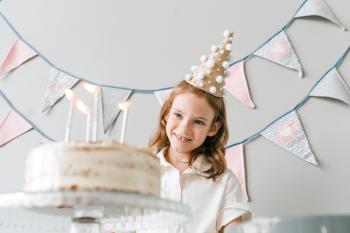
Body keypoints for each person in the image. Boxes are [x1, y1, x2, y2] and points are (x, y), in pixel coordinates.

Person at [148, 31, 251, 233]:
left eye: (198, 122)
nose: (184, 128)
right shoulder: (141, 173)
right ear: (167, 112)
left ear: (213, 128)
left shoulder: (224, 182)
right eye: (178, 115)